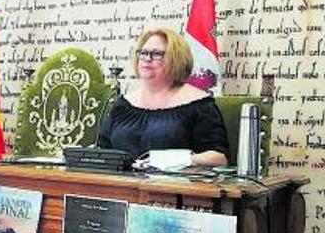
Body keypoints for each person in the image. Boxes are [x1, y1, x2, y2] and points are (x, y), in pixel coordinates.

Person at [97, 28, 228, 167]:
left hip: (175, 186)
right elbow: (102, 151)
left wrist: (181, 160)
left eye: (157, 54)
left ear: (176, 60)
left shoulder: (200, 105)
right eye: (143, 53)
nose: (147, 59)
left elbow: (219, 159)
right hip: (120, 186)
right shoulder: (123, 105)